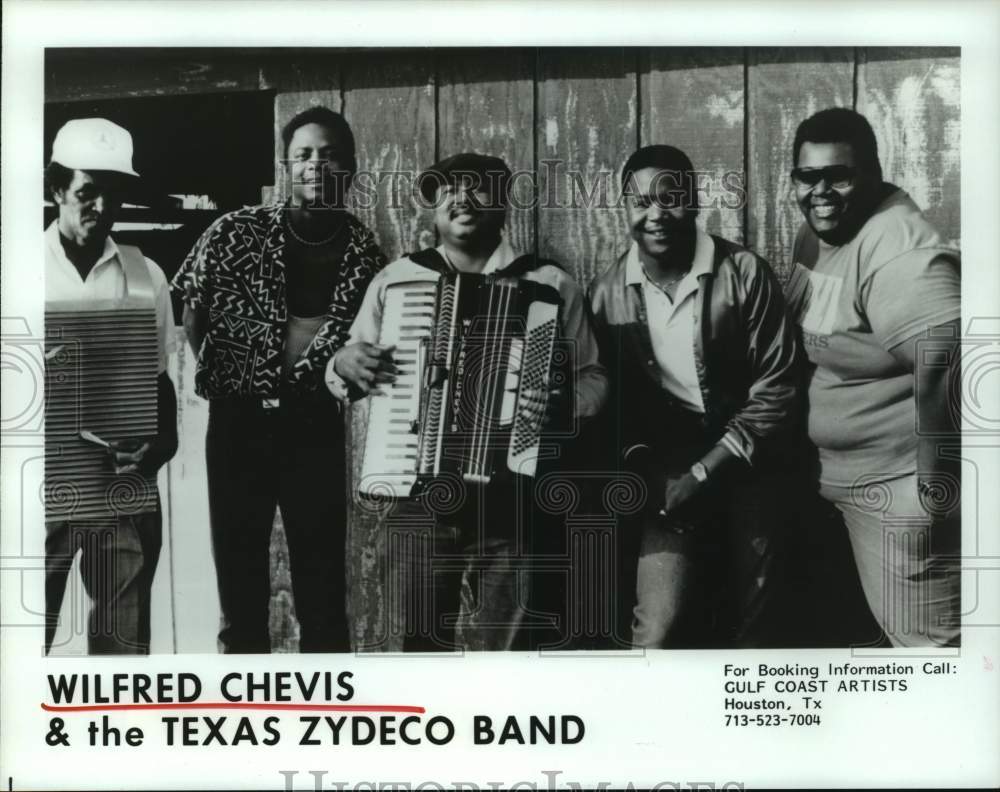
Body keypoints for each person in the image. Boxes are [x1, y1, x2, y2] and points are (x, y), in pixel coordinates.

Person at [326, 152, 607, 651]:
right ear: (434, 208)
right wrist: (342, 362)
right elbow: (349, 365)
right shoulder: (397, 279)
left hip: (513, 503)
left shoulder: (547, 283)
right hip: (416, 496)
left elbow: (594, 377)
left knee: (507, 654)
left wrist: (563, 406)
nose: (461, 198)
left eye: (477, 187)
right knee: (416, 649)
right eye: (448, 189)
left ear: (504, 203)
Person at [171, 106, 385, 653]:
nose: (315, 165)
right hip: (237, 425)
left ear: (350, 168)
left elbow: (369, 346)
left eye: (329, 155)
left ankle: (325, 701)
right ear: (287, 166)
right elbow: (193, 310)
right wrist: (239, 376)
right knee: (240, 590)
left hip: (312, 426)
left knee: (322, 593)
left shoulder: (366, 257)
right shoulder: (235, 231)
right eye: (303, 154)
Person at [587, 144, 802, 648]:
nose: (656, 214)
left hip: (749, 463)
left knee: (759, 622)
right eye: (641, 202)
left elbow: (779, 387)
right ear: (624, 208)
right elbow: (613, 406)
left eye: (671, 198)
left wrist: (706, 471)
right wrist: (651, 472)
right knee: (658, 629)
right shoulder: (607, 292)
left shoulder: (744, 272)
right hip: (668, 475)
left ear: (696, 201)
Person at [784, 107, 961, 647]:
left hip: (894, 487)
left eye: (838, 175)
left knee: (928, 654)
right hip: (835, 479)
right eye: (807, 177)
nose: (821, 191)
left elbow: (946, 361)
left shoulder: (898, 248)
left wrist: (934, 488)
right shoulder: (818, 233)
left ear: (873, 173)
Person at [44, 118, 178, 654]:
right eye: (87, 192)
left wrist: (160, 445)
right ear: (57, 188)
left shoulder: (147, 276)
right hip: (38, 488)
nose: (101, 206)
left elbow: (159, 379)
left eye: (114, 193)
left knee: (124, 653)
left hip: (123, 489)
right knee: (18, 645)